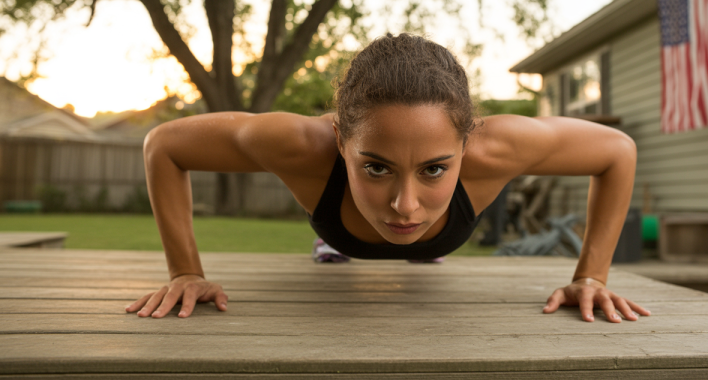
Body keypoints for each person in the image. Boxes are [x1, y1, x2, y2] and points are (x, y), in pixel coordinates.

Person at [125, 33, 651, 324]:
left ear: (467, 145)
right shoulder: (298, 145)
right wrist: (184, 272)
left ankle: (424, 242)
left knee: (417, 234)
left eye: (435, 169)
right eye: (375, 167)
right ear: (338, 140)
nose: (405, 204)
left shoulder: (502, 147)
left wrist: (592, 277)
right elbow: (164, 146)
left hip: (434, 236)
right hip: (339, 231)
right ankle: (336, 244)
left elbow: (618, 153)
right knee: (376, 232)